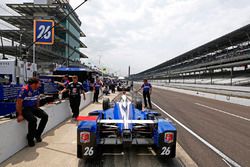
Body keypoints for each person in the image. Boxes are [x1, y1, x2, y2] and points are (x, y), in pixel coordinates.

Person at [16, 78, 48, 147]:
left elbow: (37, 98)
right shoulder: (25, 89)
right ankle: (30, 138)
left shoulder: (36, 89)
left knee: (45, 116)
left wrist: (37, 107)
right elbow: (18, 102)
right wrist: (19, 114)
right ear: (34, 84)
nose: (39, 85)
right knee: (33, 120)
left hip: (33, 107)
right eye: (38, 84)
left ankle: (37, 134)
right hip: (25, 109)